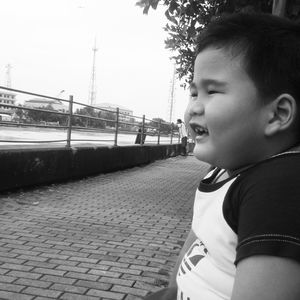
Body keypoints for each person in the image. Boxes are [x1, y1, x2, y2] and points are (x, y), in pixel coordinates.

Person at [144, 13, 300, 300]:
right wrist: (172, 289)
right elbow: (197, 239)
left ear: (277, 114)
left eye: (211, 91)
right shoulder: (222, 170)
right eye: (193, 92)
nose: (194, 108)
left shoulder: (279, 186)